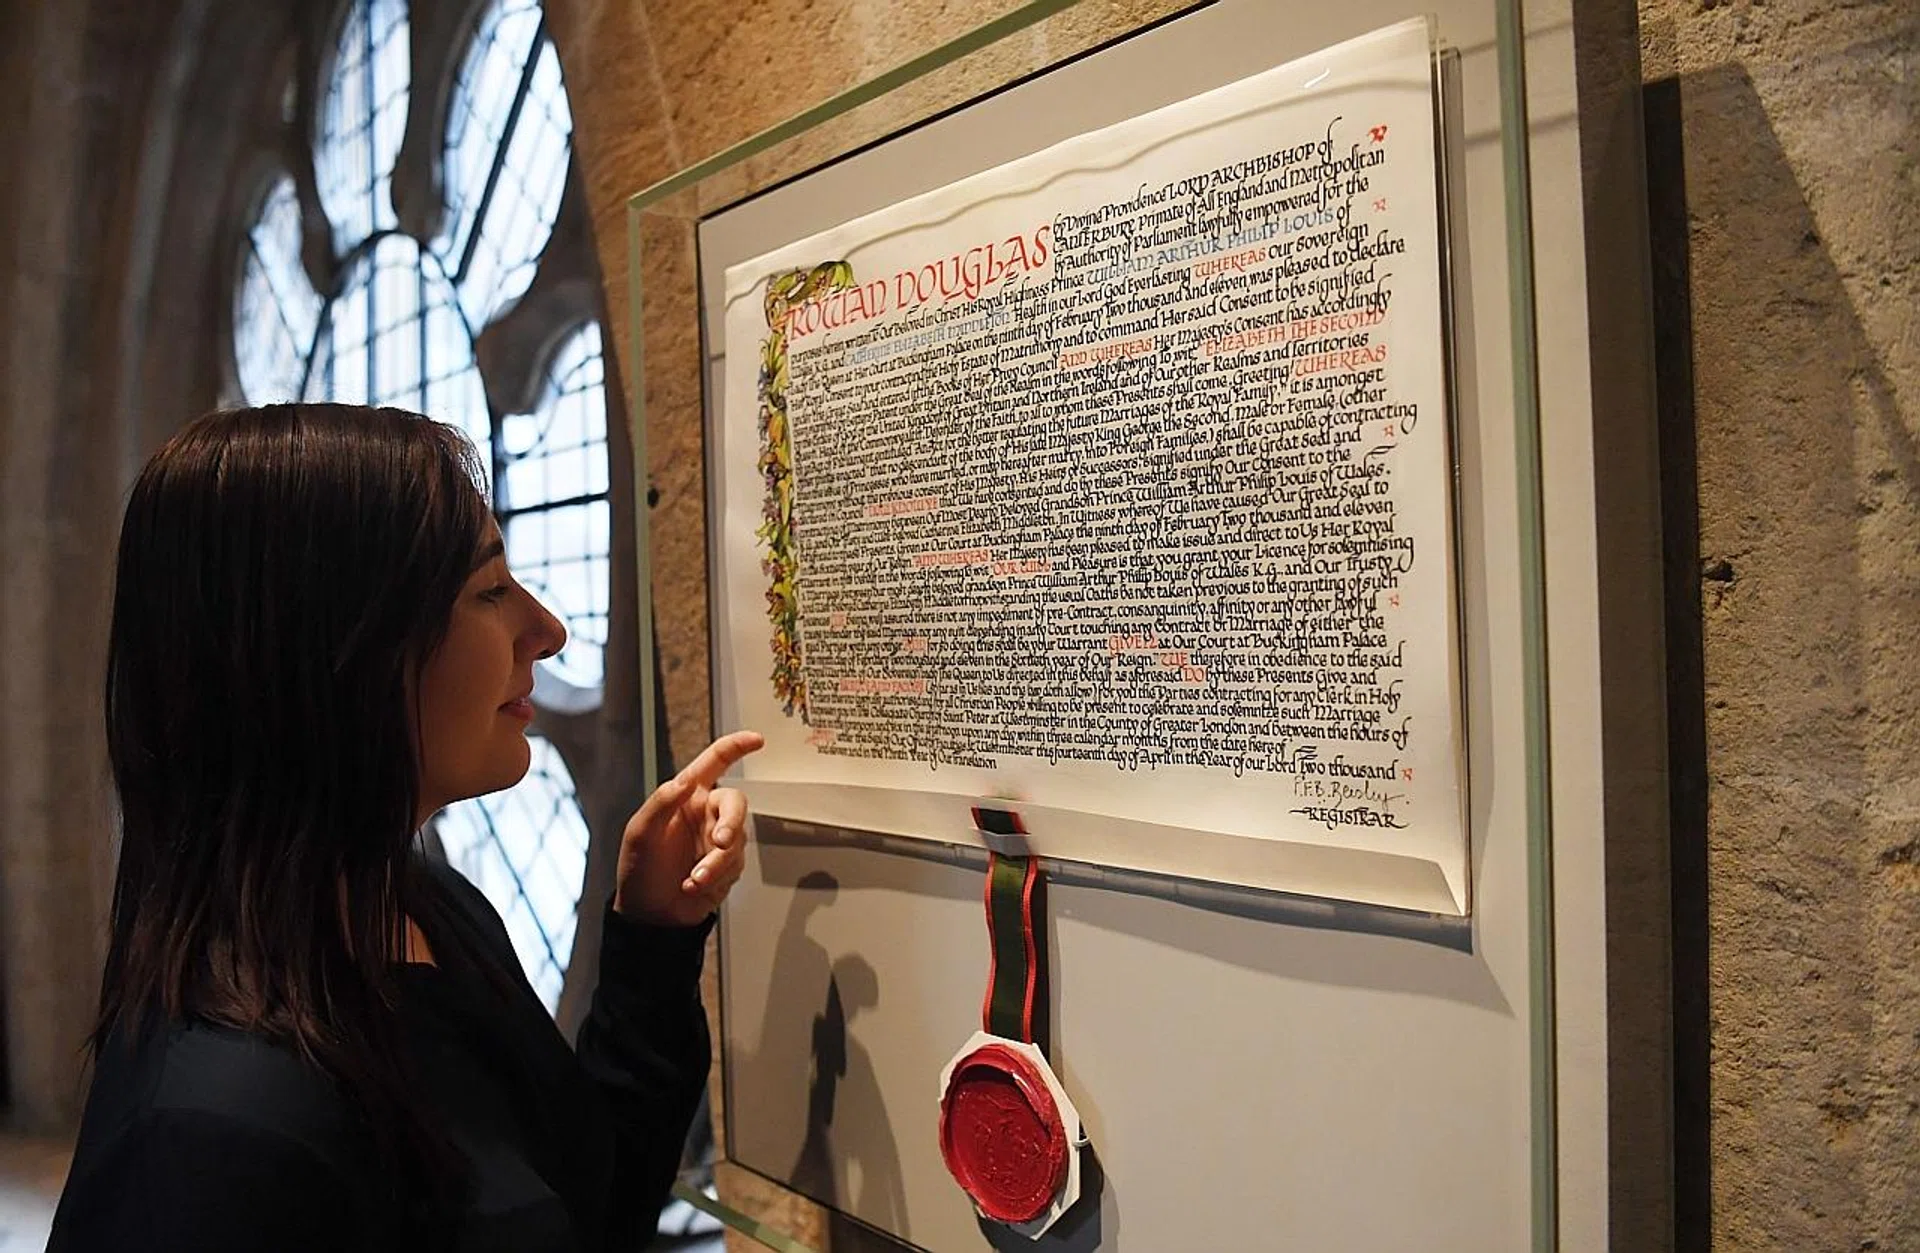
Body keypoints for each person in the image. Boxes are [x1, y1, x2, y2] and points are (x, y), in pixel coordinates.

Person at [46, 403, 764, 1252]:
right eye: (489, 590)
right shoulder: (210, 1140)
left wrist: (653, 939)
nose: (547, 631)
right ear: (336, 654)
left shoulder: (429, 908)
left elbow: (585, 1206)